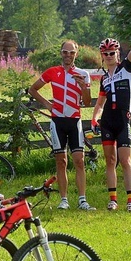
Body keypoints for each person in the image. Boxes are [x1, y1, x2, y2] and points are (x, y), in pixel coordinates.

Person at [28, 39, 95, 211]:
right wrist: (47, 105)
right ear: (61, 53)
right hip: (57, 121)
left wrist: (83, 87)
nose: (68, 55)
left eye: (71, 52)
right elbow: (33, 89)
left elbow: (87, 102)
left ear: (76, 54)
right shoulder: (53, 72)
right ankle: (64, 199)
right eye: (65, 52)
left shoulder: (83, 74)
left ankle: (82, 200)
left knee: (79, 161)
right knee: (61, 161)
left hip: (75, 120)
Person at [91, 22, 131, 212]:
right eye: (105, 54)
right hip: (108, 122)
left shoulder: (126, 67)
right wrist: (94, 118)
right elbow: (100, 104)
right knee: (110, 161)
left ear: (117, 54)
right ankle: (112, 199)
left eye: (112, 53)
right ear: (102, 56)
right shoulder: (104, 78)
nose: (108, 56)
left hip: (123, 120)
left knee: (125, 160)